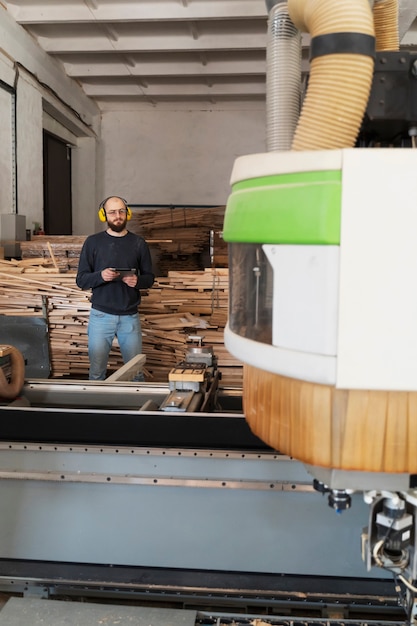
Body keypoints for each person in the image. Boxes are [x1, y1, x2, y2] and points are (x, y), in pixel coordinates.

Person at [76, 195, 154, 381]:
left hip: (130, 317)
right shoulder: (93, 242)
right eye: (112, 212)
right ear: (104, 215)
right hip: (101, 316)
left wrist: (138, 281)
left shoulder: (138, 243)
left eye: (121, 211)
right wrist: (100, 276)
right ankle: (97, 408)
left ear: (128, 214)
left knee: (135, 372)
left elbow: (150, 278)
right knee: (96, 372)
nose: (117, 216)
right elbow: (81, 280)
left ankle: (137, 409)